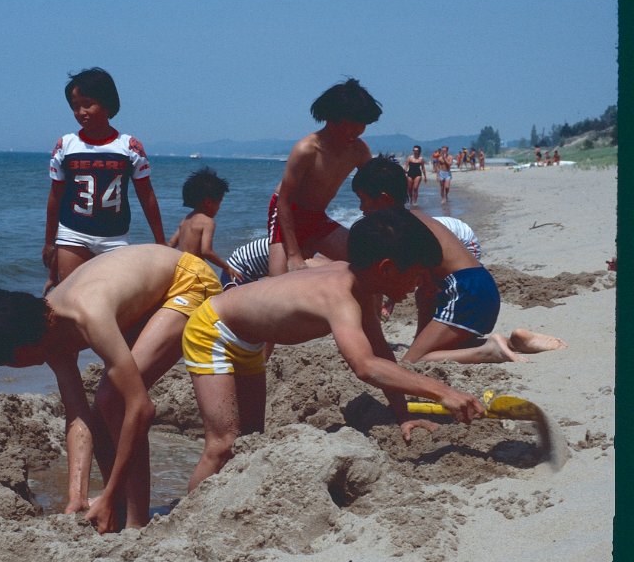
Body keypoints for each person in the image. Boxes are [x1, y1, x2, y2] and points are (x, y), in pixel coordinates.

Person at [182, 208, 487, 491]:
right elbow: (365, 366)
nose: (422, 285)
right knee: (222, 444)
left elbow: (380, 352)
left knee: (249, 440)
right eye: (418, 275)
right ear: (387, 268)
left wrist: (403, 413)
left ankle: (224, 503)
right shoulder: (340, 296)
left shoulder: (363, 287)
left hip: (248, 340)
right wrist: (441, 391)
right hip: (212, 331)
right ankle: (185, 523)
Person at [0, 244, 221, 534]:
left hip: (187, 281)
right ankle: (114, 508)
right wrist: (76, 496)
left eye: (6, 362)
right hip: (147, 298)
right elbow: (78, 418)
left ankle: (135, 522)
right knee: (105, 409)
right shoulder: (46, 331)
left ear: (20, 349)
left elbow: (141, 407)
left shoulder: (87, 314)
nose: (12, 367)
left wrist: (106, 494)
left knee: (114, 400)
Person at [351, 156, 567, 364]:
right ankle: (515, 342)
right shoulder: (418, 219)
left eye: (364, 200)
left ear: (384, 198)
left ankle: (491, 350)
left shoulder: (402, 229)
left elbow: (422, 285)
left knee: (413, 361)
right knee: (441, 350)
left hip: (464, 291)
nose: (362, 208)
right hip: (481, 287)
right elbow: (426, 290)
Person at [43, 67, 165, 285]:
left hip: (115, 238)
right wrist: (49, 242)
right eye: (75, 106)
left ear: (107, 103)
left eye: (88, 104)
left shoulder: (129, 147)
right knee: (72, 295)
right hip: (73, 233)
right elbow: (55, 197)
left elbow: (147, 197)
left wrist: (160, 242)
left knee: (114, 297)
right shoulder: (66, 145)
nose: (81, 112)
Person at [267, 78, 380, 276]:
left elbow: (372, 188)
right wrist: (293, 255)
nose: (354, 132)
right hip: (287, 215)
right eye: (348, 125)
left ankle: (318, 263)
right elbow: (284, 201)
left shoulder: (359, 150)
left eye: (360, 125)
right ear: (331, 118)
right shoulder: (307, 149)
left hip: (317, 217)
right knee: (279, 280)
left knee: (369, 260)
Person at [168, 166, 238, 281]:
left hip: (180, 272)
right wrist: (227, 267)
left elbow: (171, 244)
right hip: (195, 272)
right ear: (208, 202)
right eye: (219, 203)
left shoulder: (186, 219)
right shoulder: (207, 222)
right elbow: (206, 251)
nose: (219, 207)